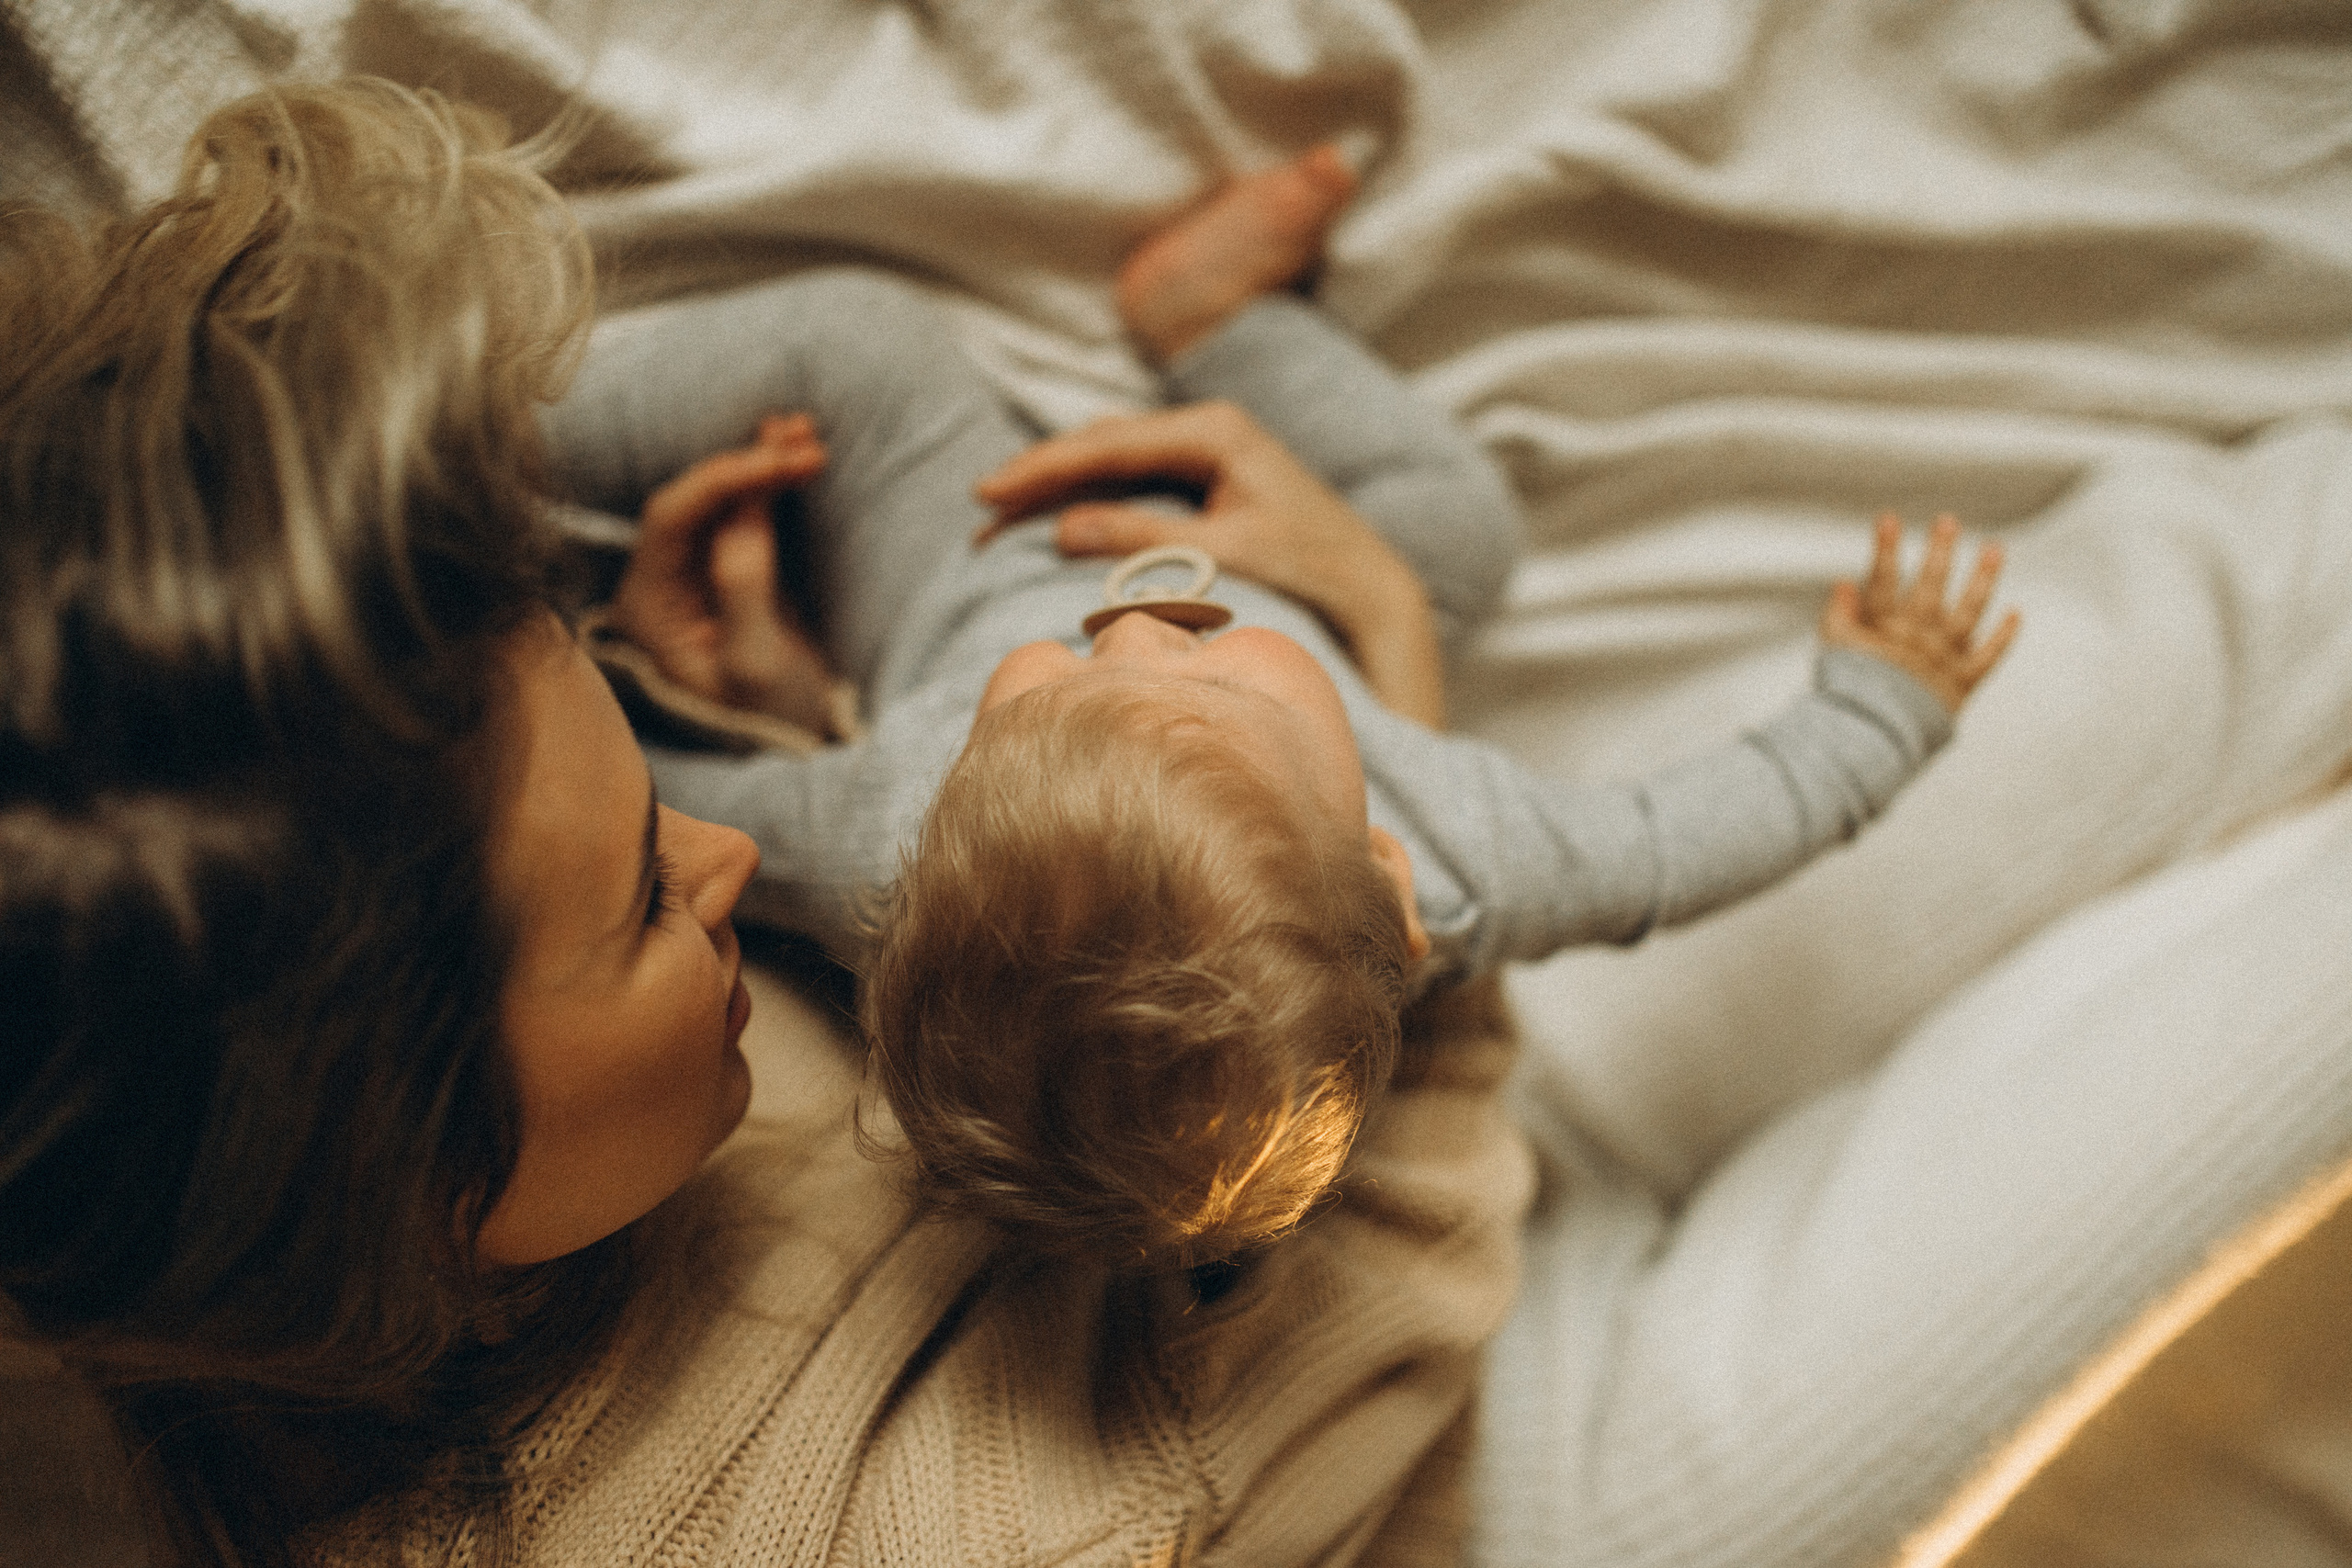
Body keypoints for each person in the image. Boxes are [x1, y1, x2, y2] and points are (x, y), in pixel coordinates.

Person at [0, 78, 1528, 1568]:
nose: (726, 850)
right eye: (644, 900)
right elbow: (1398, 1288)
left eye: (652, 784)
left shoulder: (181, 1175)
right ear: (420, 1197)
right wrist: (1383, 687)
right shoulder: (1022, 1522)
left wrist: (750, 714)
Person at [583, 151, 2016, 1269]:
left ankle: (482, 434)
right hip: (1321, 582)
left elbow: (659, 813)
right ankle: (1218, 323)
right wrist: (1884, 707)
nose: (1136, 624)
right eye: (1205, 684)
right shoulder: (1471, 857)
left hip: (973, 554)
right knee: (1461, 530)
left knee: (860, 343)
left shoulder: (890, 847)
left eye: (1052, 703)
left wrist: (677, 696)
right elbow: (1687, 836)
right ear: (1393, 886)